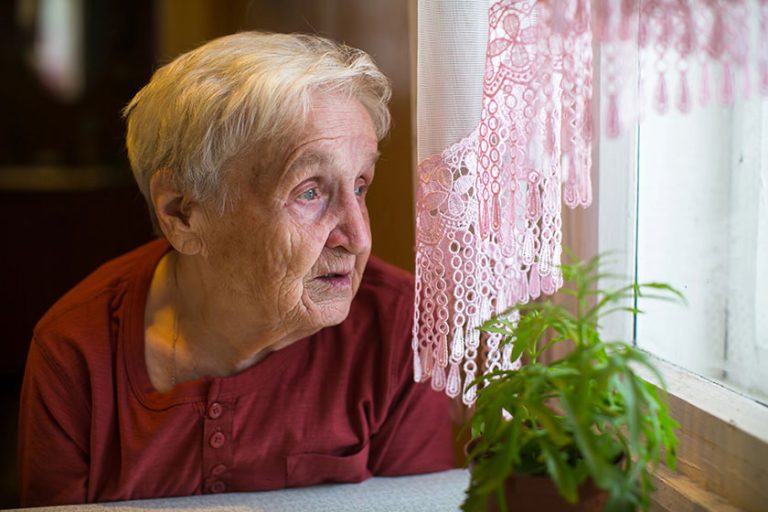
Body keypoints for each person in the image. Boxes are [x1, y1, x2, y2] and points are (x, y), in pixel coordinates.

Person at [18, 32, 454, 506]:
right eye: (309, 191)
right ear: (182, 213)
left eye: (361, 186)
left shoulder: (401, 328)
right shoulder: (78, 351)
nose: (358, 237)